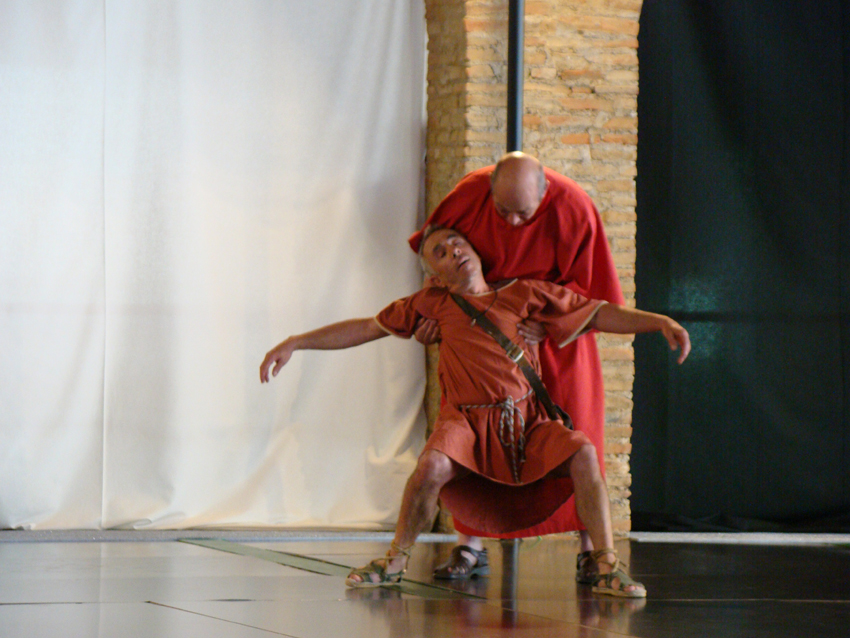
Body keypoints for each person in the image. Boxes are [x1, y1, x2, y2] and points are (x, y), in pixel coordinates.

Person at [260, 226, 690, 598]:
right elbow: (368, 327)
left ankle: (606, 564)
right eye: (441, 253)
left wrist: (658, 321)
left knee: (584, 452)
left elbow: (597, 312)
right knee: (430, 465)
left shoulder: (524, 292)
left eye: (456, 243)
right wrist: (298, 341)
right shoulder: (433, 304)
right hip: (465, 421)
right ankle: (394, 561)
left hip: (527, 423)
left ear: (475, 251)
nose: (453, 251)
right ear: (436, 277)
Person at [408, 152, 624, 582]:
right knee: (472, 434)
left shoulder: (575, 207)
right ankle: (469, 544)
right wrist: (436, 313)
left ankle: (591, 550)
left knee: (577, 432)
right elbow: (436, 249)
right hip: (482, 331)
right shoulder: (468, 194)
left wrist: (547, 324)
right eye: (502, 210)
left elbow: (593, 291)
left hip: (550, 331)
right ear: (489, 189)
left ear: (544, 192)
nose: (511, 222)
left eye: (523, 213)